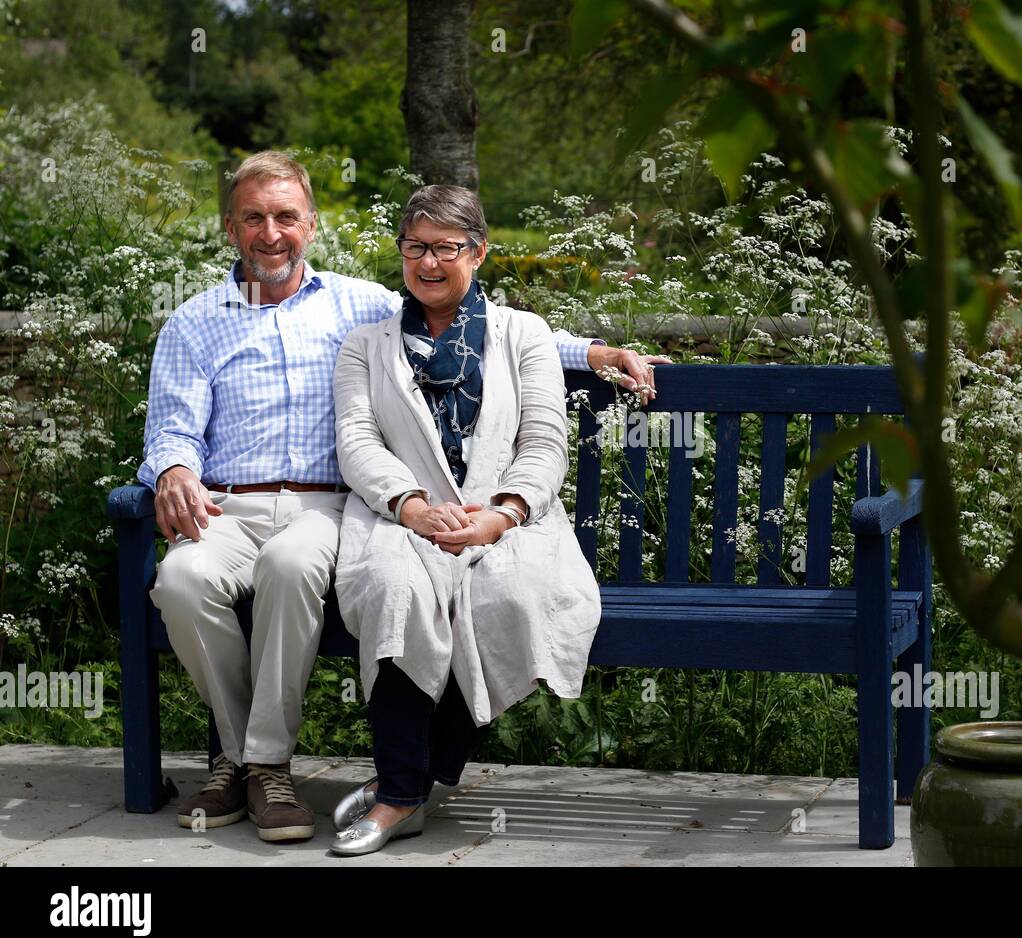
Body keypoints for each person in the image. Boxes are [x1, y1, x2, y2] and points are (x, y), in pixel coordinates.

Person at [141, 151, 665, 842]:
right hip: (230, 506)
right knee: (178, 578)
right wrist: (174, 468)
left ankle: (261, 765)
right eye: (254, 218)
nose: (271, 233)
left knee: (293, 567)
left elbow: (474, 318)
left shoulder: (358, 305)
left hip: (323, 508)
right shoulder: (194, 321)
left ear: (311, 225)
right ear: (229, 229)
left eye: (286, 217)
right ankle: (247, 759)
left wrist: (595, 353)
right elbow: (171, 428)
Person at [327, 184, 600, 856]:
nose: (427, 262)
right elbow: (357, 440)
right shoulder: (366, 345)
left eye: (445, 248)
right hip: (399, 519)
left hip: (509, 519)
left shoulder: (523, 334)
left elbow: (543, 440)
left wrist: (502, 515)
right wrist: (413, 507)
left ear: (477, 253)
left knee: (511, 595)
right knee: (397, 589)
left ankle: (419, 780)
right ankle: (398, 795)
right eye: (414, 247)